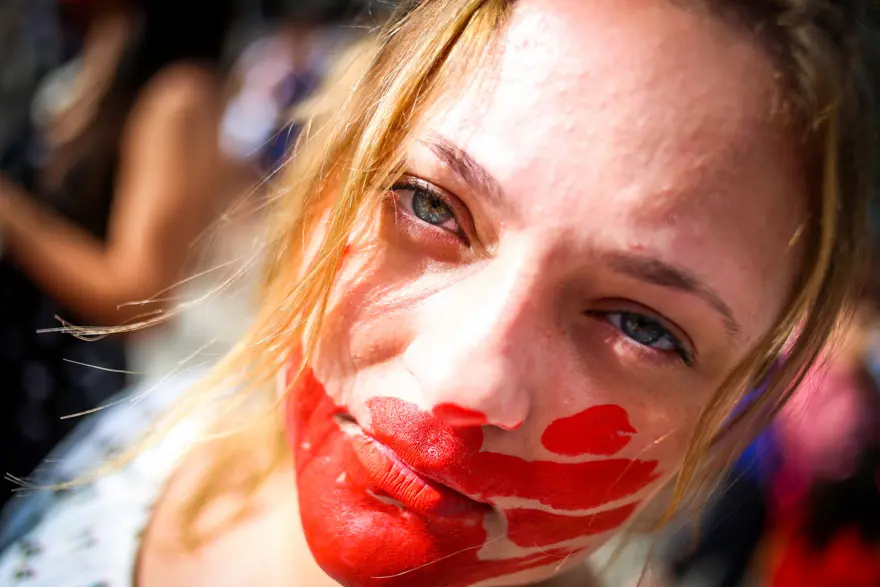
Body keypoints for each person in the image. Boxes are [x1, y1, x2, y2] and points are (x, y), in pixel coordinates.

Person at [0, 0, 876, 586]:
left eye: (642, 325)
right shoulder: (156, 427)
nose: (468, 379)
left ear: (727, 424)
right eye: (429, 204)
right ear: (330, 186)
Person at [0, 0, 233, 503]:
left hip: (52, 398)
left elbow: (140, 297)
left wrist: (14, 216)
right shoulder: (94, 48)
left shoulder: (179, 93)